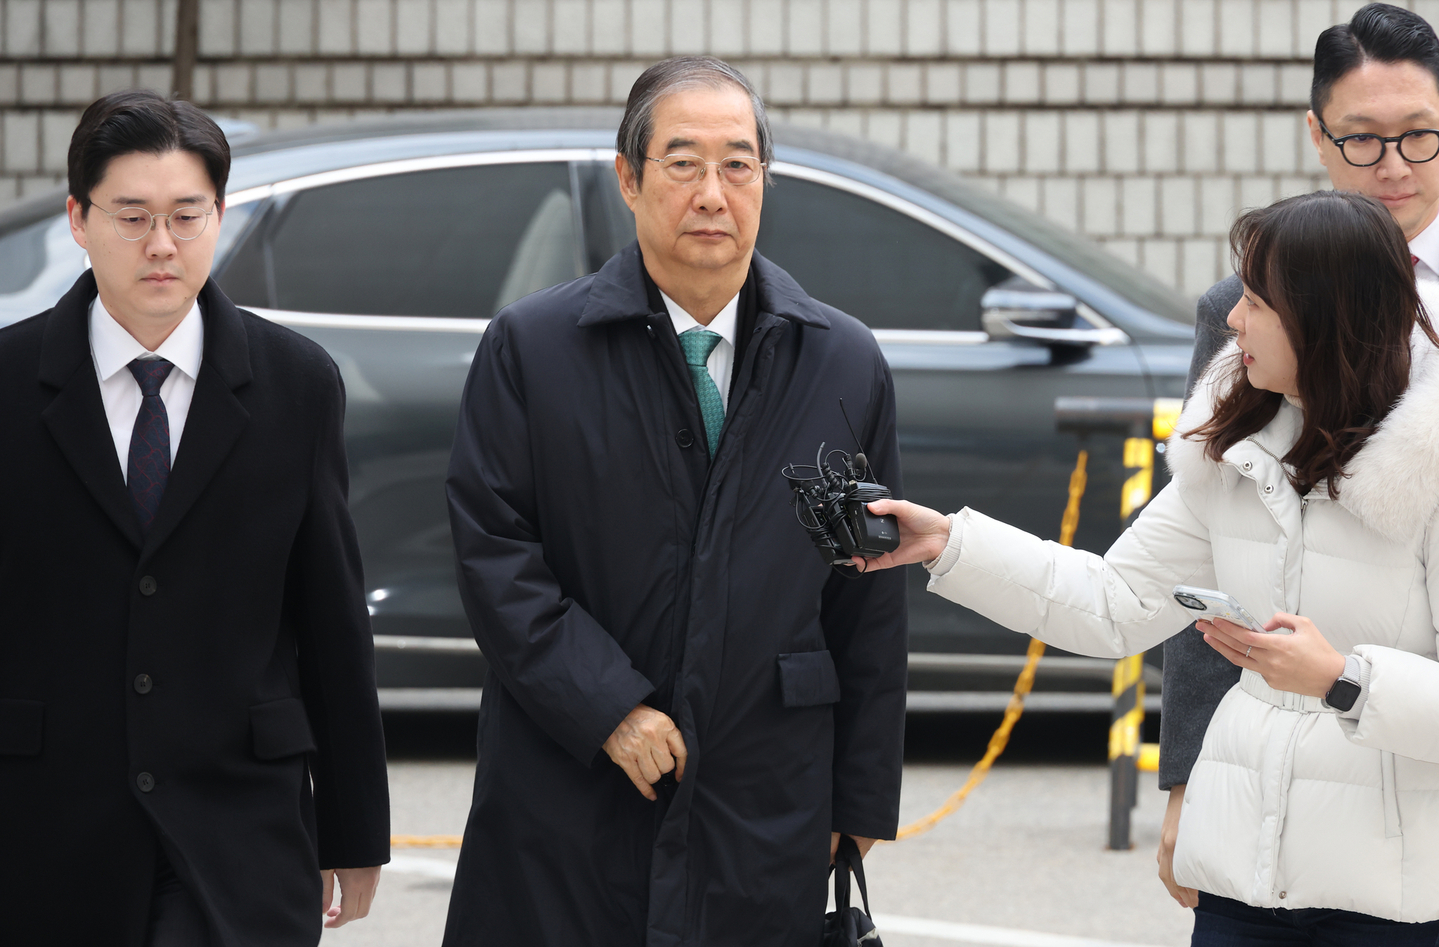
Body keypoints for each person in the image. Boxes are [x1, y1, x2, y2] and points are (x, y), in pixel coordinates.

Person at [863, 189, 1439, 942]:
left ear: (1325, 316)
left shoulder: (1423, 467)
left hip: (1392, 899)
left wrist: (1340, 678)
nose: (1231, 320)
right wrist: (946, 543)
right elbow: (1112, 602)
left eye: (1256, 301)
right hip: (1238, 885)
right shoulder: (1231, 449)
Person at [442, 56, 908, 947]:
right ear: (628, 177)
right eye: (682, 161)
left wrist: (859, 796)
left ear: (765, 179)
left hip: (764, 787)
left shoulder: (842, 361)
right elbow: (494, 554)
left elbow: (868, 593)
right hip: (569, 777)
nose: (712, 191)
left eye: (738, 163)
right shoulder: (533, 350)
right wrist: (607, 705)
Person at [0, 91, 390, 946]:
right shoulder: (8, 380)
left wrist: (356, 830)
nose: (162, 245)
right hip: (44, 822)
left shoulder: (296, 383)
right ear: (78, 217)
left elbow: (329, 617)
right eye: (132, 217)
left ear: (219, 214)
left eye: (186, 215)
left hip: (238, 819)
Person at [1165, 0, 1439, 911]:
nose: (1393, 166)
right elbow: (1212, 564)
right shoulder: (1235, 309)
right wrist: (1186, 785)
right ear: (1316, 135)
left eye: (1419, 135)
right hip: (1300, 794)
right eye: (1362, 139)